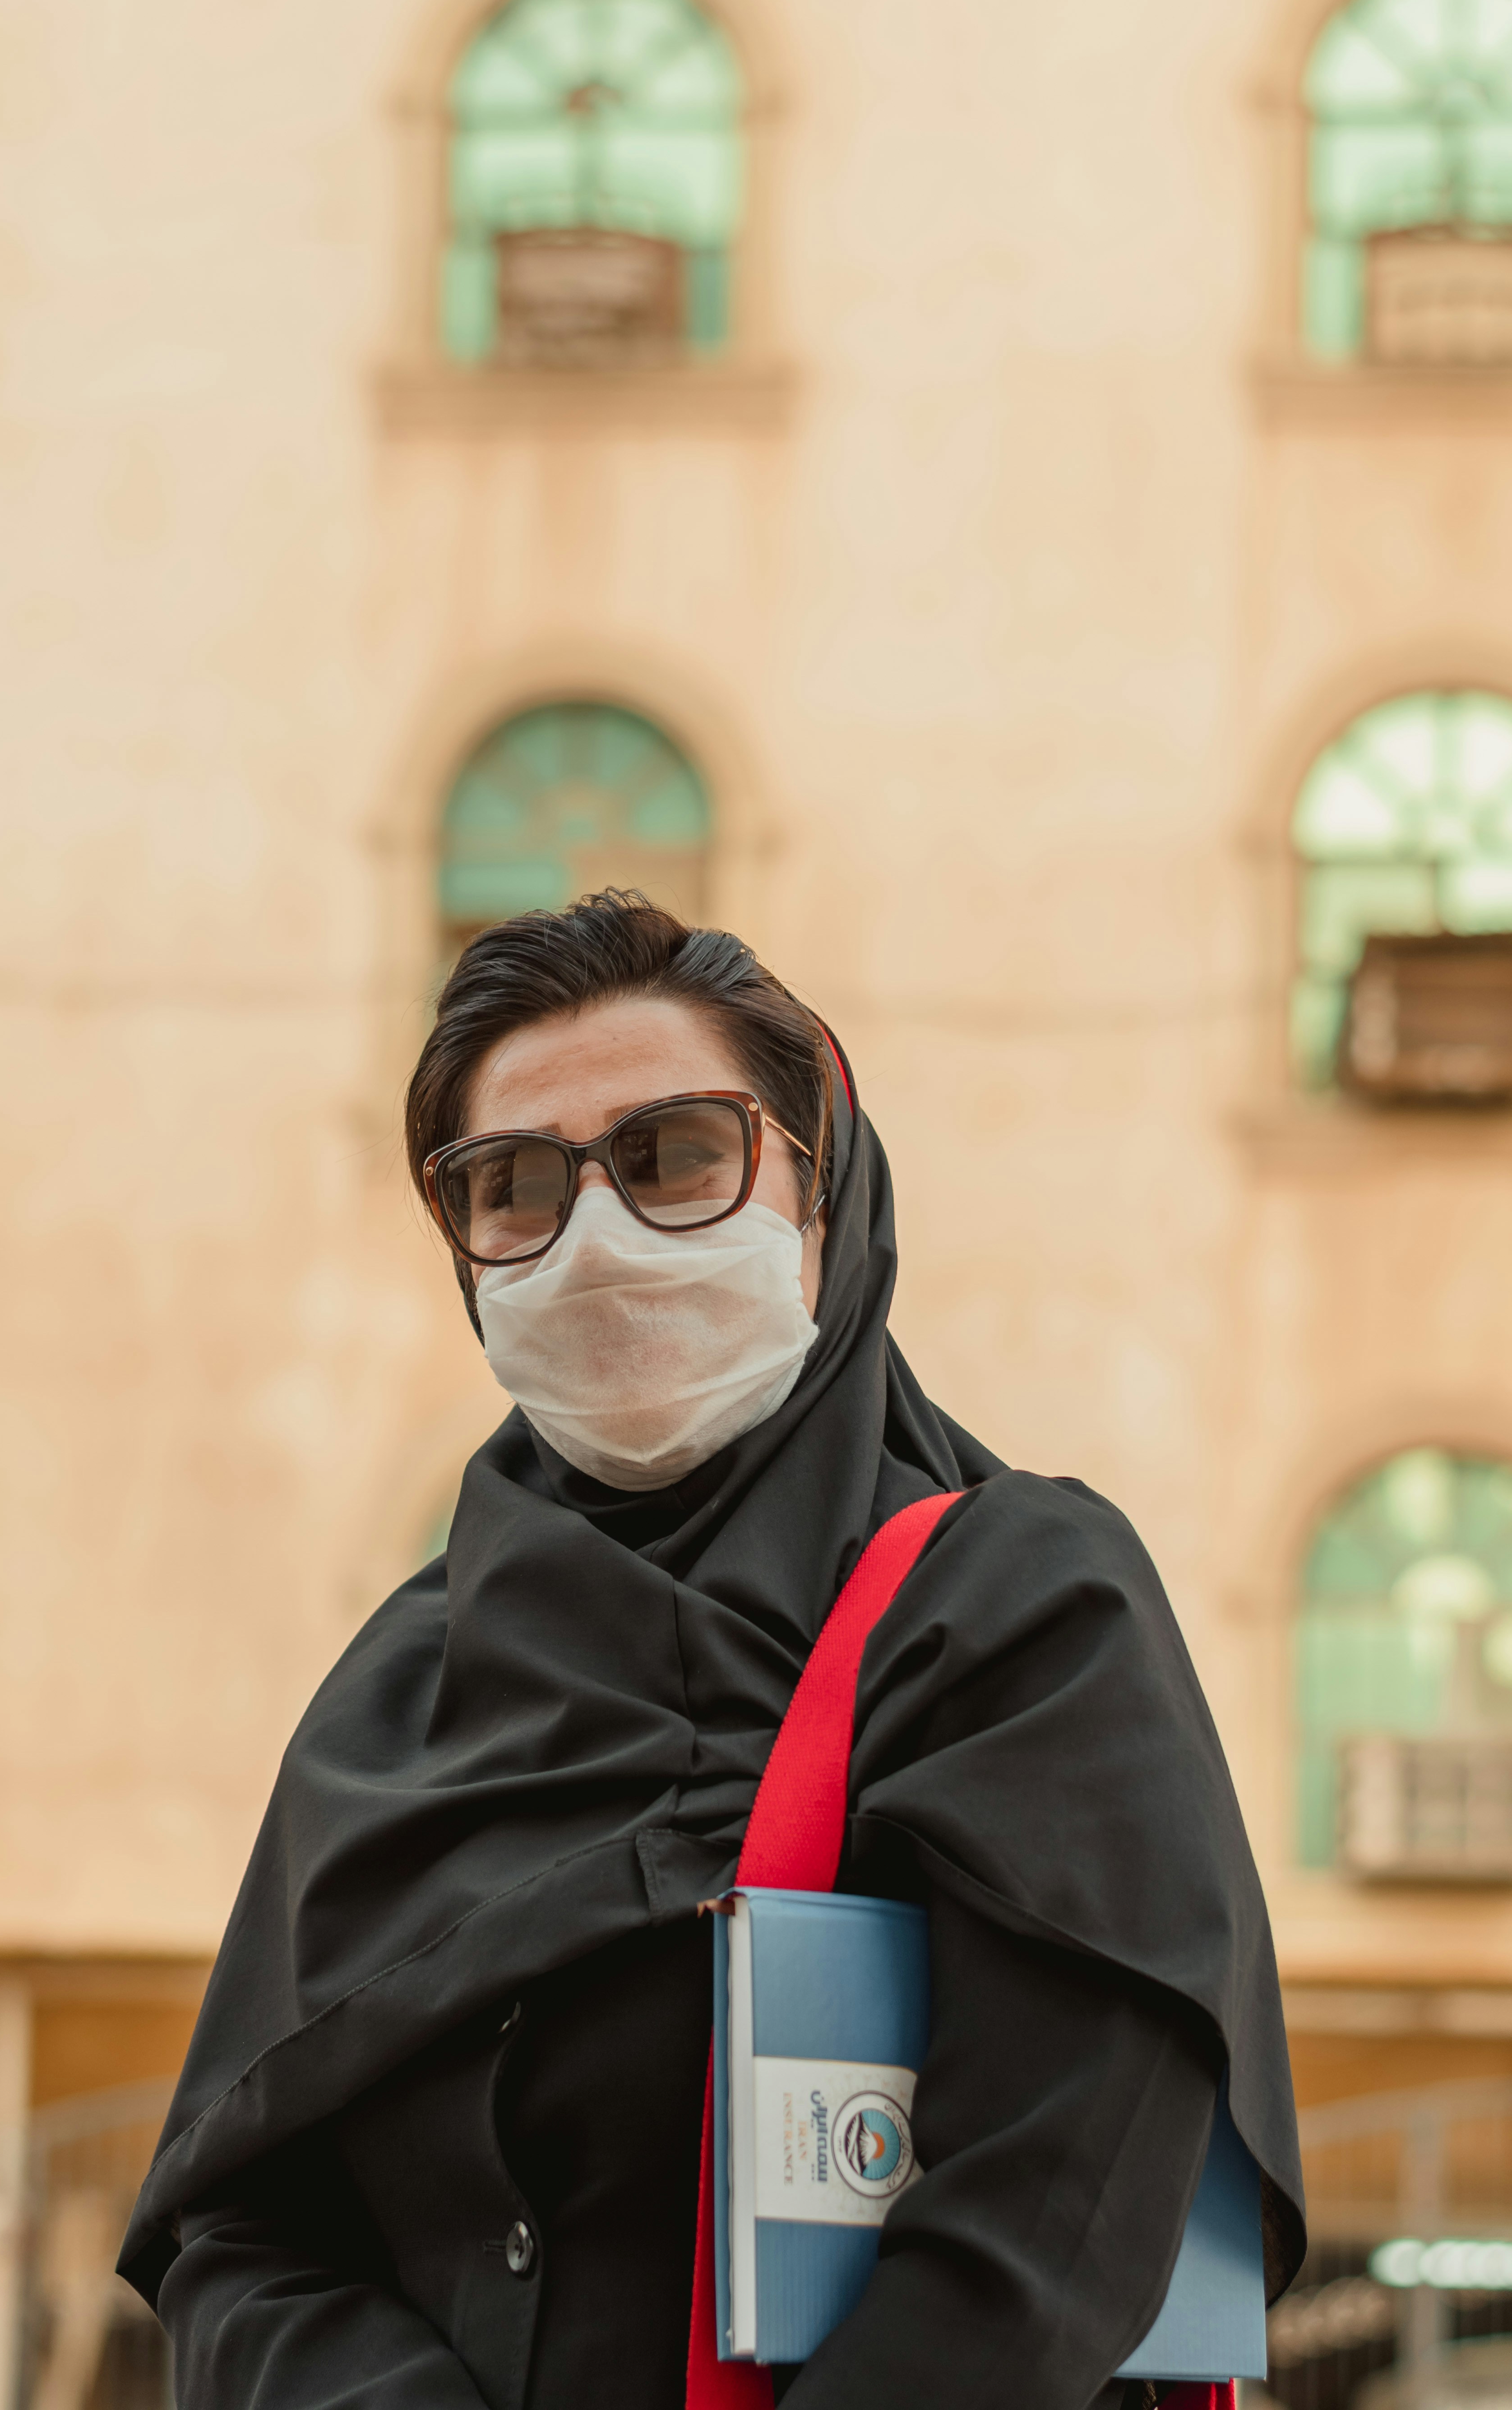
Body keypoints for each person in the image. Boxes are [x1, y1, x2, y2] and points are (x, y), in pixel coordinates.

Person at [119, 891, 1304, 2409]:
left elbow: (1057, 2210)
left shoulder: (1019, 1612)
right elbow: (244, 2230)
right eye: (513, 1188)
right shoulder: (394, 1700)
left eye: (677, 1157)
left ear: (825, 1192)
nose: (597, 1239)